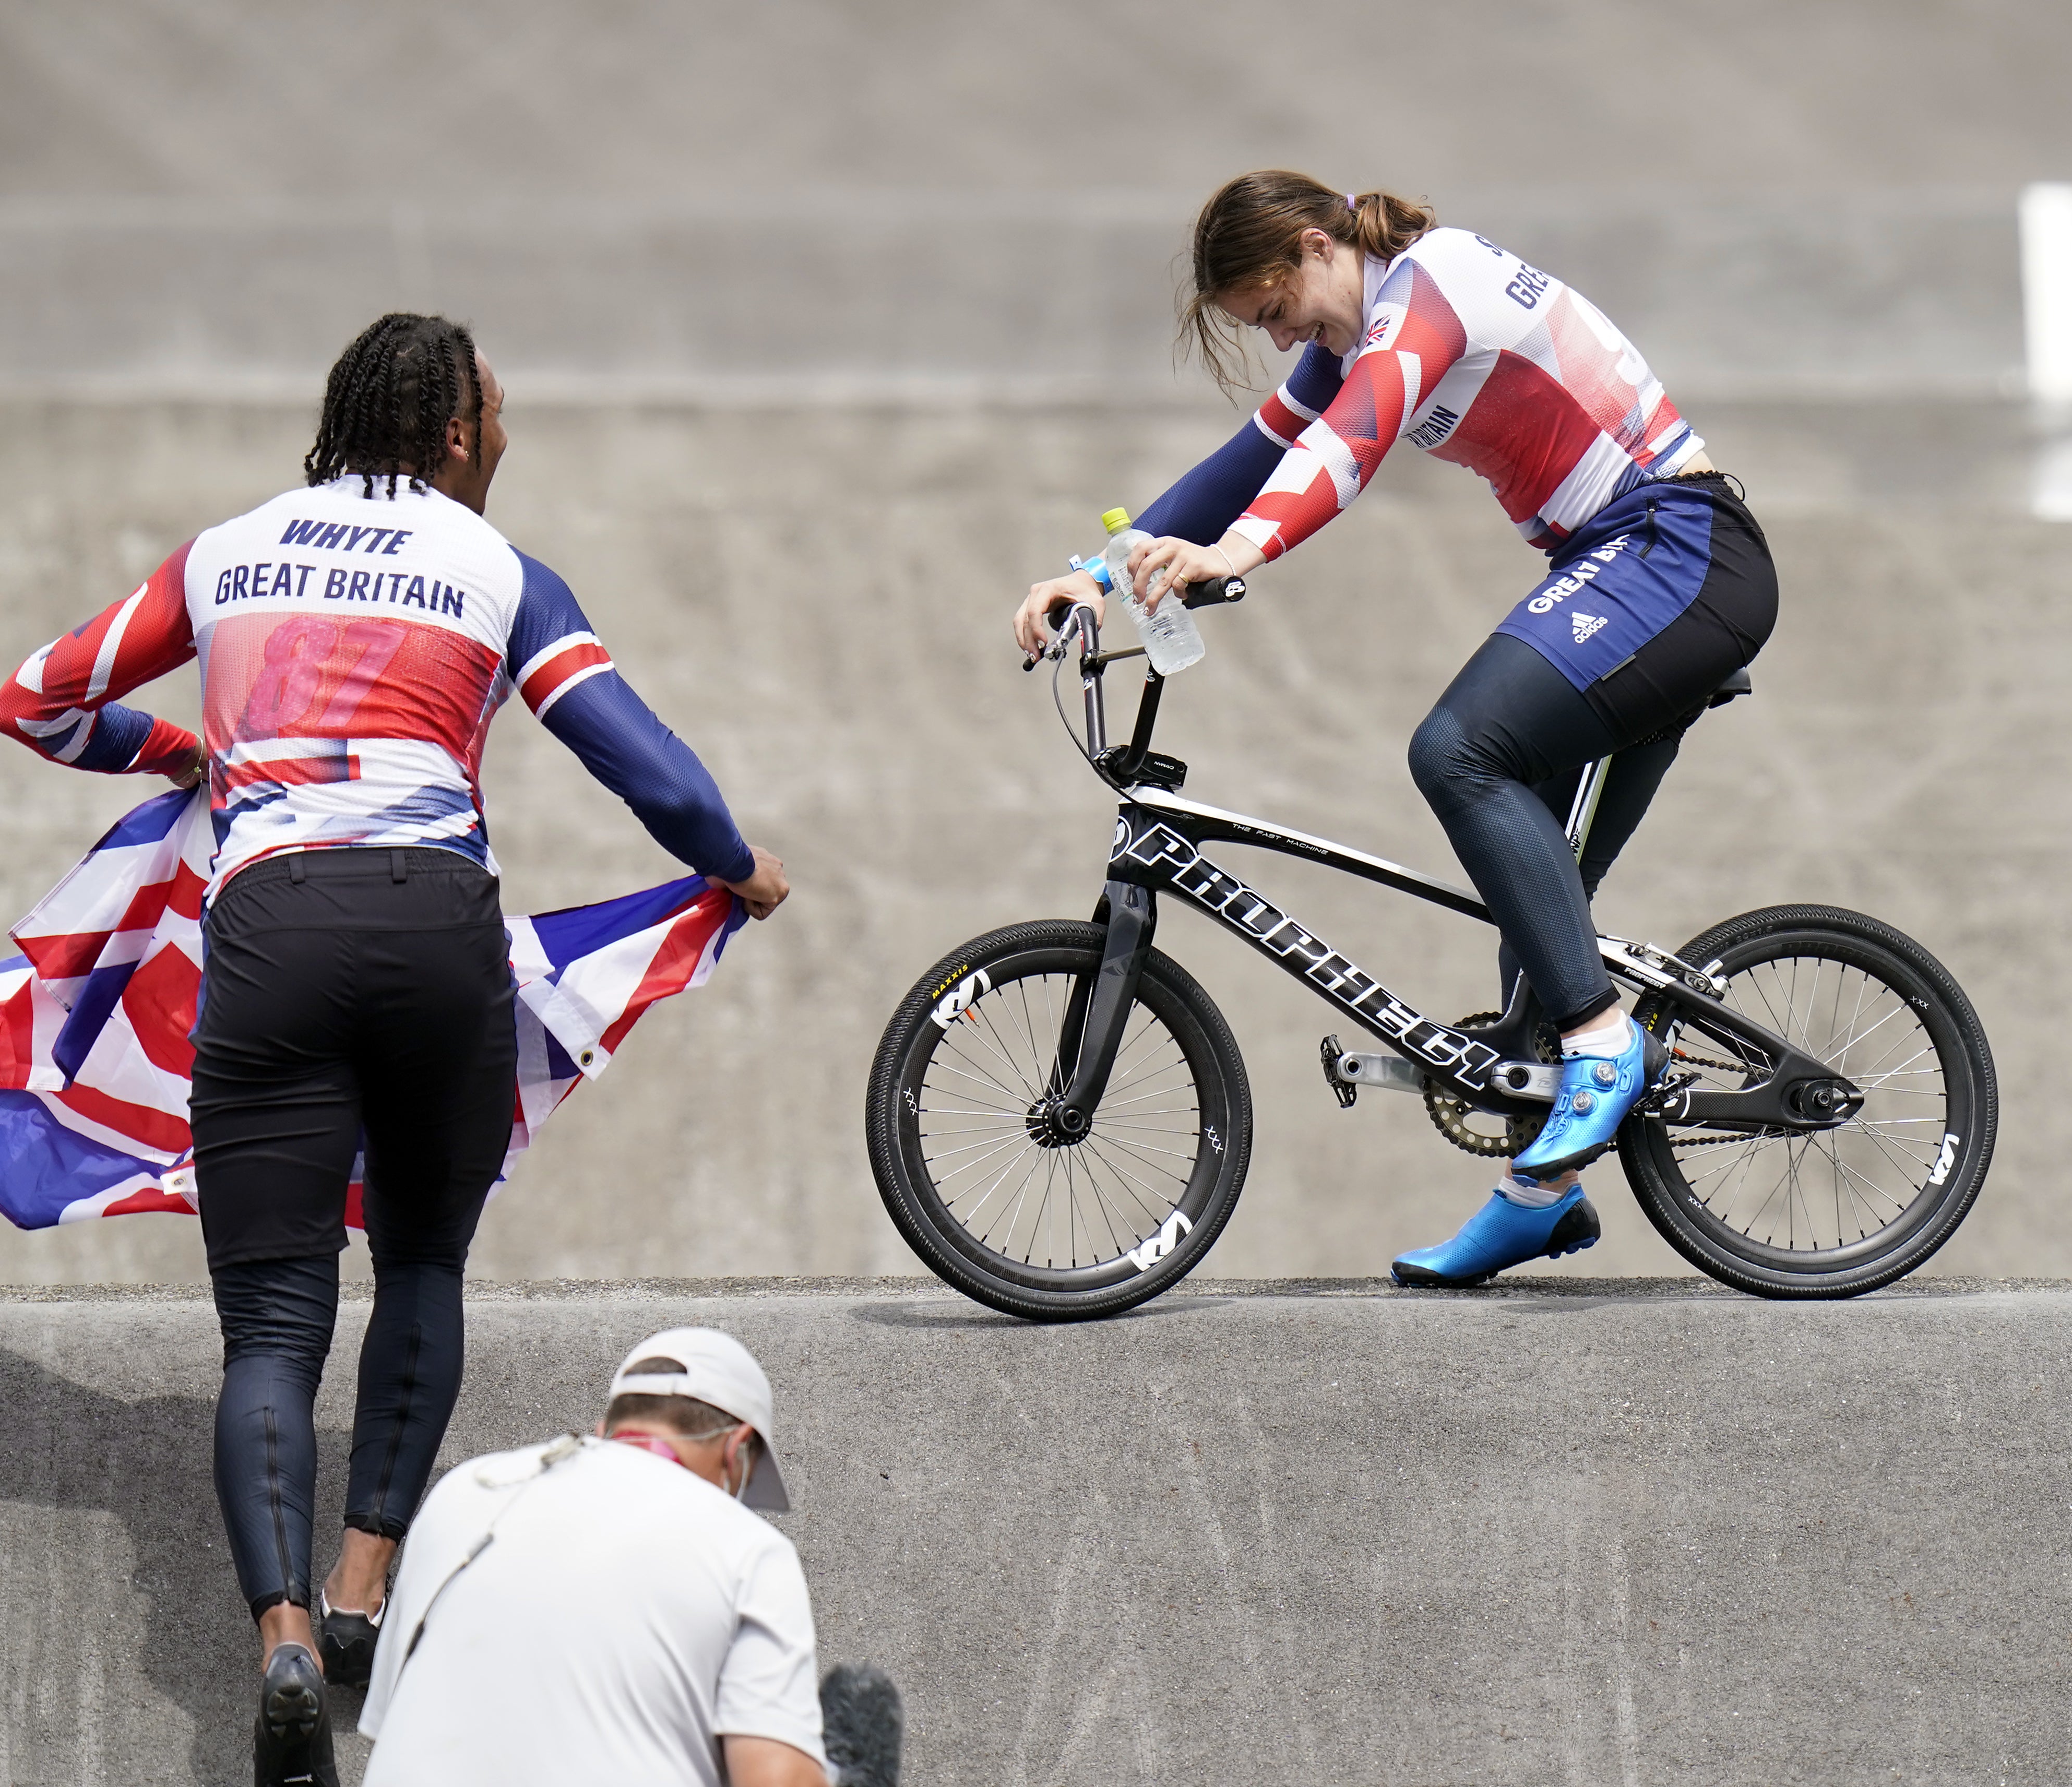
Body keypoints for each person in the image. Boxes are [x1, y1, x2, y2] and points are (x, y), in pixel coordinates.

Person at [0, 314, 791, 1787]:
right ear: (452, 434)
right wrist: (738, 864)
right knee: (421, 1266)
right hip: (436, 934)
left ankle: (285, 1634)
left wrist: (181, 756)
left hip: (273, 934)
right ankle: (369, 1585)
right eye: (499, 421)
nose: (505, 444)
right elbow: (643, 765)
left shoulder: (226, 554)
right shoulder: (503, 575)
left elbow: (33, 699)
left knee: (274, 1327)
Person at [1012, 171, 1778, 1289]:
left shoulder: (1433, 288)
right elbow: (1253, 459)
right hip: (1628, 565)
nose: (1285, 337)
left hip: (1678, 547)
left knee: (1456, 750)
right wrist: (1091, 574)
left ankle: (1608, 1050)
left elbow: (1347, 446)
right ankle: (1537, 1200)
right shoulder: (1356, 329)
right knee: (1539, 920)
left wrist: (1238, 555)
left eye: (1278, 311)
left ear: (1320, 248)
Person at [358, 1327, 830, 1787]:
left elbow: (393, 1726)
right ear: (737, 1450)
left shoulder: (463, 1490)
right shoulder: (749, 1548)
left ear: (605, 1430)